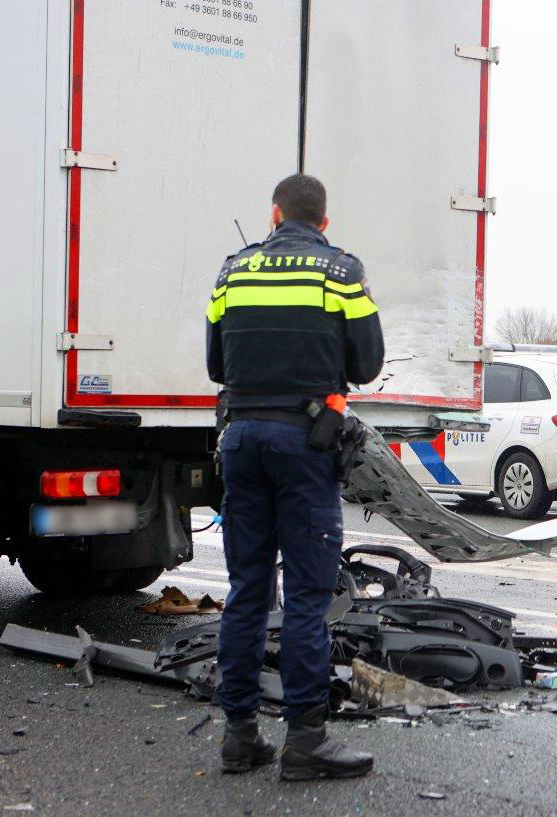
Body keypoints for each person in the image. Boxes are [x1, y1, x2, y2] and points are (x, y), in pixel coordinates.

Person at [205, 174, 384, 780]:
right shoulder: (341, 272)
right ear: (324, 222)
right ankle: (306, 741)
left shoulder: (232, 273)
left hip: (241, 440)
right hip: (305, 444)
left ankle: (239, 737)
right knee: (308, 598)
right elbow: (368, 364)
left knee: (248, 591)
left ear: (275, 213)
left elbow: (214, 364)